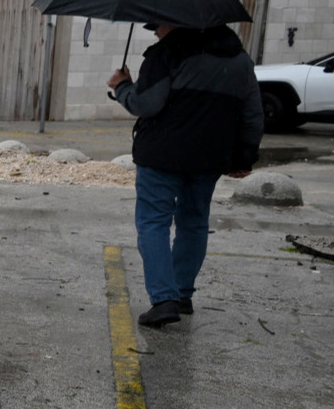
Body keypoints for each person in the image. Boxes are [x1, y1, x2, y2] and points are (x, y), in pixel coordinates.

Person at [107, 22, 263, 327]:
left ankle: (164, 299)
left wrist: (123, 86)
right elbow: (252, 113)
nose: (154, 31)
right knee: (194, 222)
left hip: (161, 155)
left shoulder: (166, 53)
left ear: (174, 23)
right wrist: (245, 156)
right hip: (210, 157)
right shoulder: (240, 59)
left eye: (156, 25)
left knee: (153, 222)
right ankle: (182, 294)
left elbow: (146, 104)